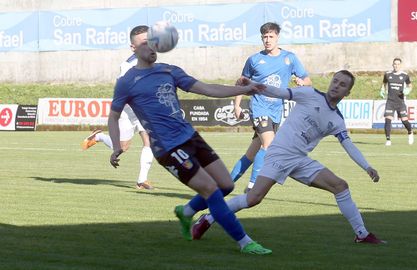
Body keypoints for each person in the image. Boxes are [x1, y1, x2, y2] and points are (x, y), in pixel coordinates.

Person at [107, 25, 272, 255]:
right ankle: (245, 242)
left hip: (190, 137)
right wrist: (116, 146)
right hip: (167, 148)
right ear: (133, 48)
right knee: (211, 190)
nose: (151, 46)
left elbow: (207, 88)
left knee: (226, 185)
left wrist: (244, 90)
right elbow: (113, 117)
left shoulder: (169, 70)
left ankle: (186, 212)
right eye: (144, 42)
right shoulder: (127, 81)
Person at [192, 70, 386, 245]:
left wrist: (367, 166)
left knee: (340, 186)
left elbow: (348, 145)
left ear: (348, 93)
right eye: (335, 81)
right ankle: (209, 217)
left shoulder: (337, 120)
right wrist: (252, 84)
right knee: (253, 199)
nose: (337, 85)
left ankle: (361, 234)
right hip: (279, 152)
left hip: (299, 159)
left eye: (343, 84)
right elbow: (279, 92)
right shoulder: (310, 94)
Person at [230, 22, 312, 192]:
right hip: (259, 108)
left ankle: (224, 186)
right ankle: (253, 186)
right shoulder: (254, 60)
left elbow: (307, 80)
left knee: (251, 154)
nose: (267, 40)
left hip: (276, 111)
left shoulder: (290, 58)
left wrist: (302, 82)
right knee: (269, 145)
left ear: (277, 37)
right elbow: (241, 83)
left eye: (271, 36)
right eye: (264, 37)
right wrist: (237, 105)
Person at [81, 53, 154, 190]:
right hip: (127, 109)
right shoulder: (128, 65)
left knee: (149, 141)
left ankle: (141, 180)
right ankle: (99, 137)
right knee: (123, 147)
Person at [380, 57, 414, 146]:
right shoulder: (387, 74)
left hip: (400, 102)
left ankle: (410, 132)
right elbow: (384, 84)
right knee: (388, 120)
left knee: (404, 120)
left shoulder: (404, 75)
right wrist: (382, 90)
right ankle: (388, 140)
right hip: (390, 101)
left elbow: (410, 85)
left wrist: (408, 90)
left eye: (398, 64)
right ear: (392, 65)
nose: (396, 66)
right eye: (395, 64)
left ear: (400, 65)